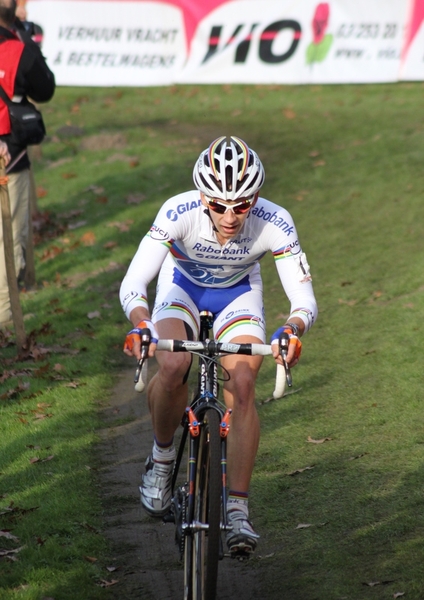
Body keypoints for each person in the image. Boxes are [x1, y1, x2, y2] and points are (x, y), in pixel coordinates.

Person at [120, 136, 318, 555]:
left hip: (238, 295)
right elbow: (135, 281)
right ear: (202, 196)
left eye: (242, 205)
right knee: (172, 365)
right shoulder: (178, 212)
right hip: (182, 288)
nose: (230, 216)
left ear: (256, 198)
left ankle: (239, 509)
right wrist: (143, 325)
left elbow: (303, 301)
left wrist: (291, 329)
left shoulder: (275, 221)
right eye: (219, 204)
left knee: (243, 385)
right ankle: (161, 457)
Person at [0, 0, 55, 325]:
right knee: (8, 236)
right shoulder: (19, 50)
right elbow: (45, 87)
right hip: (10, 154)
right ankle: (6, 318)